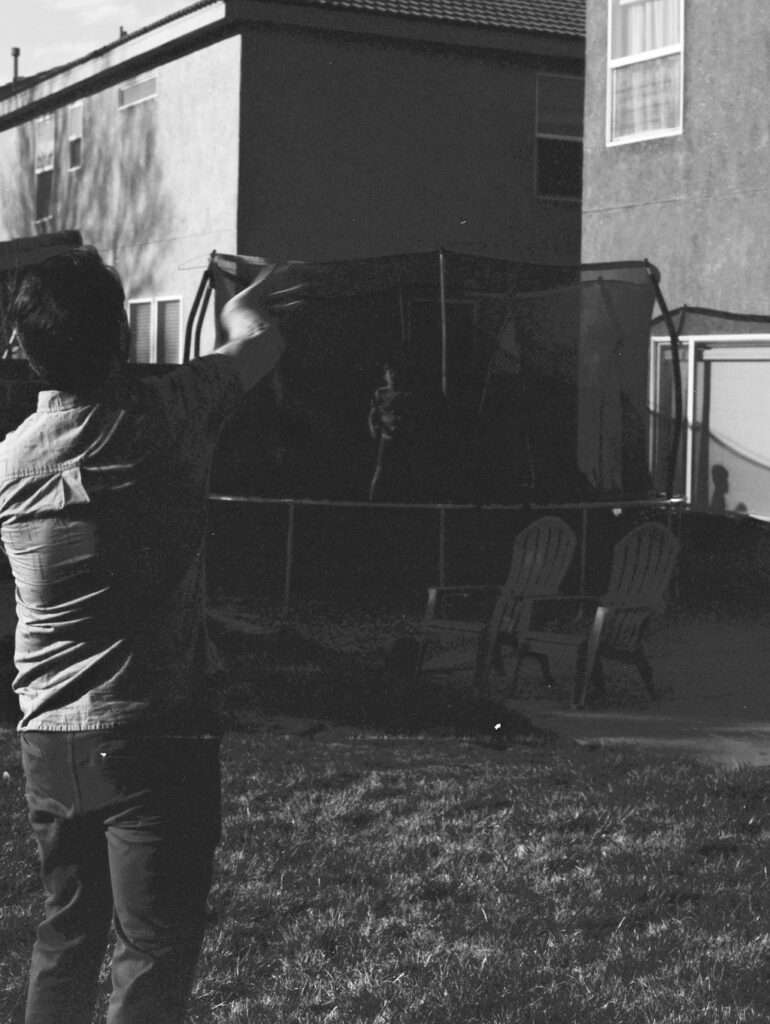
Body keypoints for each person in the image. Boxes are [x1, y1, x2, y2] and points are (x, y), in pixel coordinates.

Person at [0, 246, 286, 1024]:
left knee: (66, 935)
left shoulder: (8, 467)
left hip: (50, 744)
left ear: (22, 351)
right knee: (152, 951)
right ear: (123, 337)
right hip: (160, 736)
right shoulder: (173, 414)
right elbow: (259, 342)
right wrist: (238, 302)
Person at [367, 362, 414, 501]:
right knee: (380, 469)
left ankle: (406, 502)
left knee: (404, 470)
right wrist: (372, 427)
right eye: (390, 372)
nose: (393, 375)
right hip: (386, 437)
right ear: (385, 375)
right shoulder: (380, 393)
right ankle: (372, 501)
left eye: (395, 372)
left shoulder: (406, 394)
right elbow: (372, 414)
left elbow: (409, 416)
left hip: (402, 437)